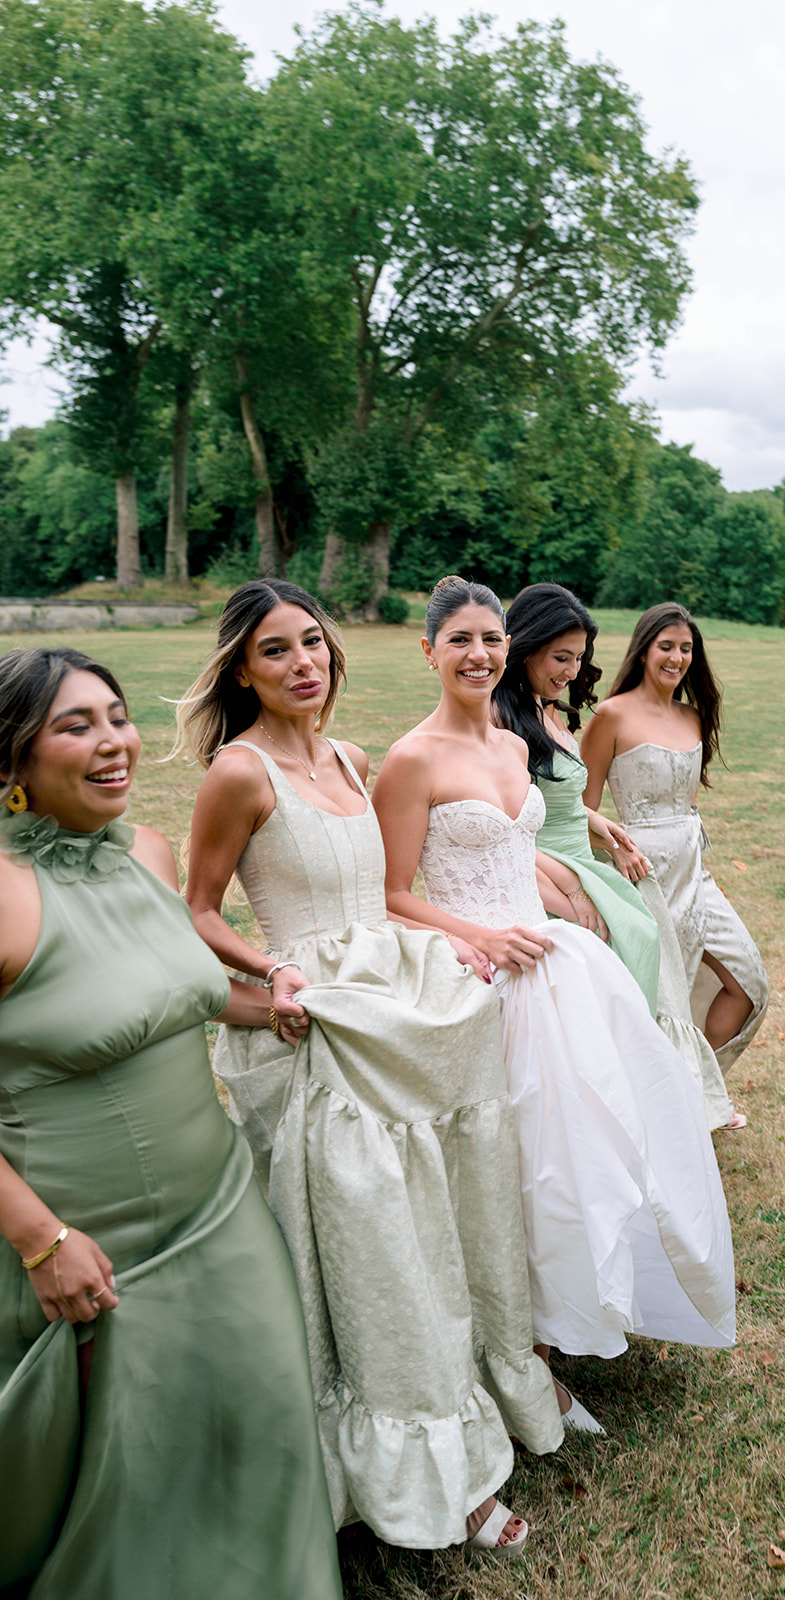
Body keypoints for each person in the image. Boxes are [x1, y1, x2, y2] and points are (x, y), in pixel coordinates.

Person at [179, 579, 562, 1558]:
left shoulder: (353, 759)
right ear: (243, 670)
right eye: (275, 650)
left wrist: (463, 941)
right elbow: (198, 912)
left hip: (396, 1004)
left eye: (312, 642)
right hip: (313, 1026)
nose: (302, 663)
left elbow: (388, 894)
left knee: (441, 1221)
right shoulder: (239, 773)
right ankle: (426, 1477)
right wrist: (273, 970)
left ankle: (485, 1402)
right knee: (378, 1251)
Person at [0, 646, 341, 1600]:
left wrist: (275, 1006)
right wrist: (40, 1240)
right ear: (12, 761)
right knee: (129, 1467)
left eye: (117, 717)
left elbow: (175, 991)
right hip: (86, 1239)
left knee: (260, 1413)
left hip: (218, 1204)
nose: (113, 741)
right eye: (76, 726)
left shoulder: (148, 853)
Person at [374, 576, 736, 1414]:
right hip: (478, 973)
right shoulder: (410, 759)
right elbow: (388, 894)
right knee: (508, 1169)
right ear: (429, 651)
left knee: (580, 1157)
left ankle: (550, 1338)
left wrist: (572, 887)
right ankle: (509, 1354)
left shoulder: (514, 748)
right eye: (460, 640)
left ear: (509, 647)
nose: (479, 654)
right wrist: (481, 937)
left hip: (553, 966)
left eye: (491, 639)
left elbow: (526, 844)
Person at [492, 582, 739, 1130]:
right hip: (547, 873)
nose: (572, 671)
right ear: (525, 647)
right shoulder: (501, 721)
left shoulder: (548, 710)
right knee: (625, 962)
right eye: (561, 657)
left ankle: (660, 1106)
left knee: (649, 956)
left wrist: (600, 825)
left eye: (579, 658)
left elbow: (557, 801)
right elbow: (509, 828)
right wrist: (572, 892)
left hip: (582, 857)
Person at [581, 603, 769, 1071]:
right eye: (666, 646)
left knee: (748, 983)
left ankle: (701, 1087)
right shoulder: (612, 715)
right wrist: (616, 848)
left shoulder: (694, 717)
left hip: (694, 874)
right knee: (660, 1003)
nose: (677, 657)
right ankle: (665, 1097)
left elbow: (686, 804)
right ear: (644, 650)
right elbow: (578, 810)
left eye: (686, 648)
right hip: (645, 877)